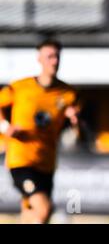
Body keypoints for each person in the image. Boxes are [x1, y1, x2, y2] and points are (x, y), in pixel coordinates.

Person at [0, 39, 79, 223]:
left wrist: (73, 119)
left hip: (47, 162)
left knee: (31, 213)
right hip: (22, 161)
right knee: (44, 208)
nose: (54, 61)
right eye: (49, 57)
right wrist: (5, 127)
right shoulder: (20, 87)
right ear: (39, 59)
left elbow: (75, 125)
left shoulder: (68, 94)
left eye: (57, 57)